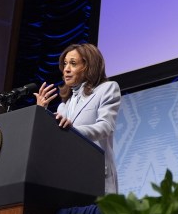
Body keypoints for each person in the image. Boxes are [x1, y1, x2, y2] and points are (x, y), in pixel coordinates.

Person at [34, 43, 121, 193]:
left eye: (73, 64)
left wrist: (72, 131)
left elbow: (105, 127)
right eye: (65, 64)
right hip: (69, 180)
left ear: (88, 66)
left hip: (97, 177)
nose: (66, 69)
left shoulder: (107, 88)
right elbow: (52, 142)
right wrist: (41, 112)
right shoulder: (63, 106)